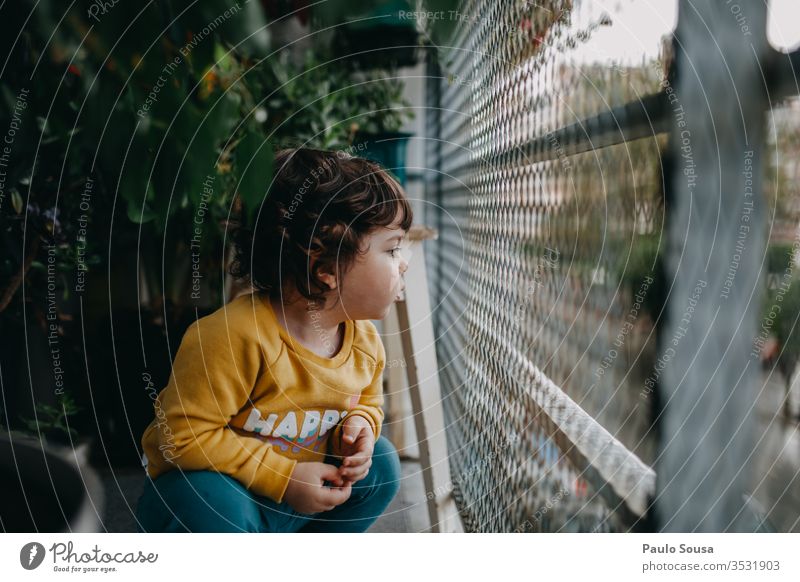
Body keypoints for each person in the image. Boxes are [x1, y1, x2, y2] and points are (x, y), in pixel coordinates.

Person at [135, 148, 412, 532]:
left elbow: (367, 401)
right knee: (207, 499)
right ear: (325, 267)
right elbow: (179, 437)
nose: (404, 262)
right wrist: (282, 477)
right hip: (221, 500)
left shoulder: (362, 339)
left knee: (380, 464)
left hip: (293, 501)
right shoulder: (232, 337)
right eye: (392, 248)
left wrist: (360, 428)